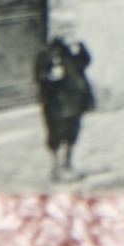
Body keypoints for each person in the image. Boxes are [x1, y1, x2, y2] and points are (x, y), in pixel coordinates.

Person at [34, 10, 94, 183]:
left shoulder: (75, 48)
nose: (69, 32)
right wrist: (50, 77)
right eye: (64, 28)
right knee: (56, 133)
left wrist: (79, 49)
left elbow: (86, 62)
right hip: (56, 102)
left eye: (71, 27)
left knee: (73, 131)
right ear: (55, 29)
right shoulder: (48, 51)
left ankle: (69, 164)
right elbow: (39, 75)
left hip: (76, 98)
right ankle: (56, 168)